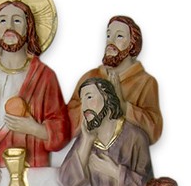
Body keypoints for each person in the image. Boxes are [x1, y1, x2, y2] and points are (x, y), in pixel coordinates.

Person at [0, 0, 71, 167]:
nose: (9, 26)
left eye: (17, 20)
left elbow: (61, 131)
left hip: (33, 167)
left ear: (29, 28)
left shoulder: (44, 76)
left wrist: (34, 129)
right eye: (3, 20)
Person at [57, 77, 153, 186]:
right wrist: (86, 142)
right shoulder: (85, 139)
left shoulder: (135, 137)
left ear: (107, 98)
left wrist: (115, 172)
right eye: (82, 101)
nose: (85, 107)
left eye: (89, 97)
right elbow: (66, 182)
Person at [66, 15, 163, 144]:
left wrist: (123, 106)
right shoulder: (90, 76)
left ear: (132, 45)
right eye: (108, 35)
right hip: (87, 150)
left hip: (124, 152)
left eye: (119, 36)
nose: (110, 41)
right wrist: (92, 103)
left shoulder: (145, 82)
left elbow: (154, 130)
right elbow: (65, 124)